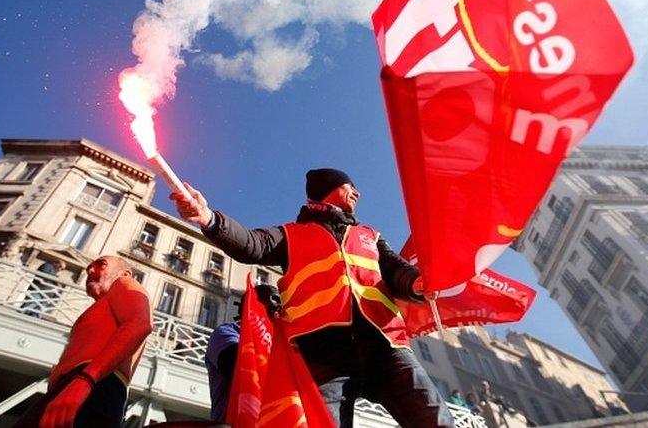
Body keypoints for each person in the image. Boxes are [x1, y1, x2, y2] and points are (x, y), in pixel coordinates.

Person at [172, 168, 454, 427]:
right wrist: (208, 219)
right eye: (351, 186)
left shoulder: (370, 235)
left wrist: (417, 283)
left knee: (435, 420)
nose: (358, 193)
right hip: (321, 354)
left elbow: (396, 271)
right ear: (329, 187)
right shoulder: (290, 235)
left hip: (385, 344)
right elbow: (251, 244)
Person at [14, 255, 152, 428]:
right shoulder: (105, 304)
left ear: (125, 273)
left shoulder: (124, 283)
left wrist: (86, 379)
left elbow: (139, 324)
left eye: (100, 265)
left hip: (93, 384)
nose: (90, 271)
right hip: (79, 384)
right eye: (88, 269)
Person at [204, 284, 281, 423]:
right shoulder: (226, 332)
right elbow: (239, 367)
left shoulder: (281, 344)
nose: (279, 307)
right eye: (274, 299)